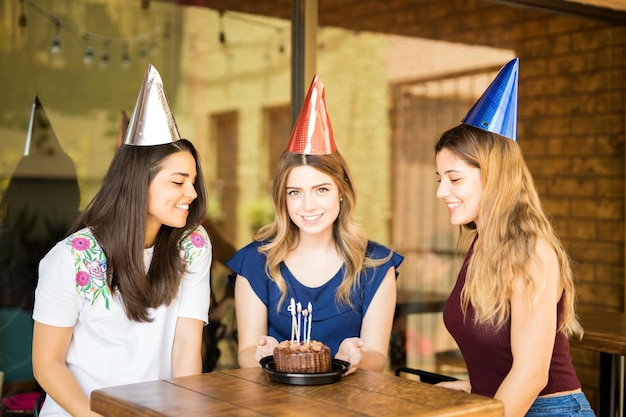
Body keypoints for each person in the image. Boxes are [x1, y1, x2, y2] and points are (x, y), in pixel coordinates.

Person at [31, 64, 212, 417]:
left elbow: (186, 344)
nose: (191, 192)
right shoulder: (71, 257)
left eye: (192, 180)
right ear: (137, 182)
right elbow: (47, 363)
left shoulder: (193, 245)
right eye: (177, 182)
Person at [435, 58, 594, 416]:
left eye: (454, 178)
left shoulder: (531, 251)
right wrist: (469, 388)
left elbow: (530, 375)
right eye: (439, 178)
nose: (441, 191)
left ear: (495, 175)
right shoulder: (482, 244)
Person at [226, 75, 403, 376]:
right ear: (282, 198)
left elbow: (377, 356)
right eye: (295, 192)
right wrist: (259, 354)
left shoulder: (375, 266)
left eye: (321, 190)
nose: (308, 206)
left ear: (342, 193)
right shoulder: (255, 263)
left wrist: (355, 358)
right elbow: (245, 352)